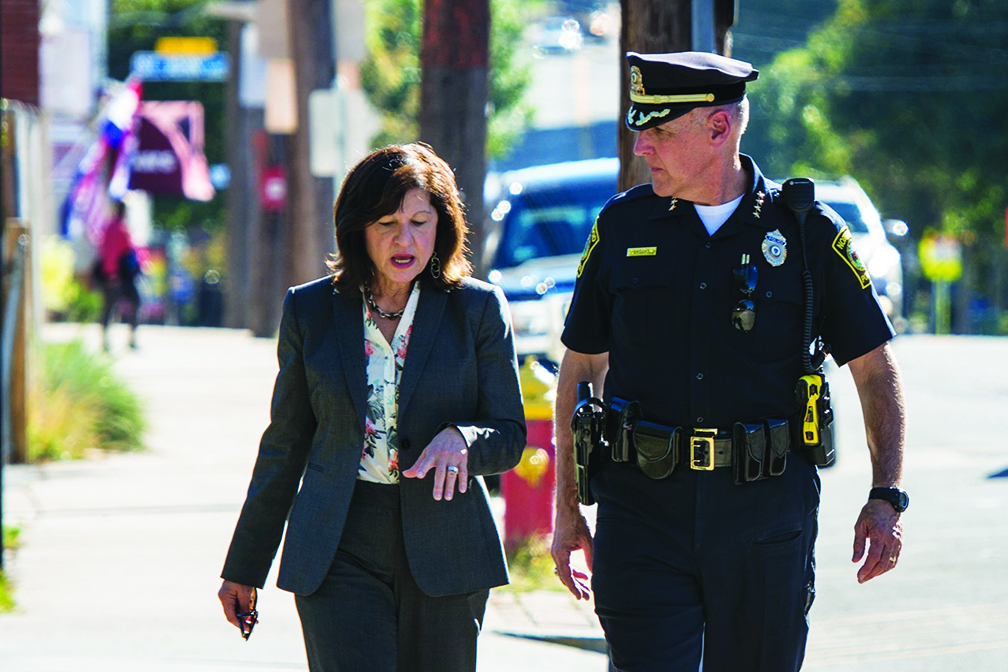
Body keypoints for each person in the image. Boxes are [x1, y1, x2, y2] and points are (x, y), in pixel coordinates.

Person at [550, 52, 907, 671]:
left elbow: (875, 370)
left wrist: (886, 496)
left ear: (719, 128)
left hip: (763, 519)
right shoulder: (621, 225)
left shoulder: (807, 235)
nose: (642, 147)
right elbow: (578, 370)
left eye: (659, 131)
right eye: (640, 128)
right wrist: (566, 512)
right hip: (642, 516)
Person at [217, 143, 526, 672]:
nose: (404, 240)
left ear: (442, 226)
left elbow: (509, 434)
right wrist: (245, 564)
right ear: (358, 228)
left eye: (419, 221)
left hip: (447, 549)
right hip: (338, 546)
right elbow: (286, 443)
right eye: (386, 223)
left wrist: (462, 438)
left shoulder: (477, 309)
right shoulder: (310, 310)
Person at [96, 200, 141, 351]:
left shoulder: (118, 227)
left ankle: (129, 339)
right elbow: (111, 253)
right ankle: (106, 342)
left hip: (123, 275)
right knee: (111, 307)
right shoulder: (116, 228)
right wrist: (112, 274)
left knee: (125, 304)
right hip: (117, 276)